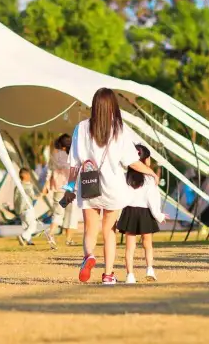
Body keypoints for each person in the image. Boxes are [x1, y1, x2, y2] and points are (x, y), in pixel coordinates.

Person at [64, 88, 157, 285]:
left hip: (89, 184)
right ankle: (108, 275)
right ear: (113, 106)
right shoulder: (118, 130)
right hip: (113, 186)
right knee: (109, 231)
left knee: (90, 229)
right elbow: (131, 161)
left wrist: (69, 187)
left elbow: (74, 163)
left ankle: (88, 256)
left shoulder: (81, 128)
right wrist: (151, 172)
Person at [118, 144, 166, 284]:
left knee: (129, 248)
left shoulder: (124, 176)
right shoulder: (150, 178)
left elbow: (121, 196)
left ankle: (130, 276)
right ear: (146, 160)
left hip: (129, 212)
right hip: (145, 212)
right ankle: (150, 269)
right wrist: (159, 215)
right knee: (148, 244)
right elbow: (153, 200)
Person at [44, 134, 76, 249]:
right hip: (71, 187)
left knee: (58, 212)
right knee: (71, 213)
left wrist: (46, 185)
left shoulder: (55, 154)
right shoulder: (73, 154)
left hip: (59, 188)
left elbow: (49, 171)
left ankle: (51, 232)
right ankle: (68, 239)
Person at [14, 168, 38, 246]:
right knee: (33, 225)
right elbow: (33, 197)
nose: (30, 176)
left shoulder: (17, 186)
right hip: (28, 208)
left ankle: (28, 240)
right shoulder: (28, 186)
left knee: (25, 226)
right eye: (29, 174)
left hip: (20, 210)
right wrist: (42, 194)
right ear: (25, 175)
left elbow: (15, 199)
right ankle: (23, 236)